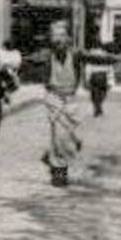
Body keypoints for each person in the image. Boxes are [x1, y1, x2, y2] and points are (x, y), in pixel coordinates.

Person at [39, 21, 83, 187]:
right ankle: (59, 173)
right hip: (54, 97)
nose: (58, 40)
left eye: (61, 35)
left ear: (68, 38)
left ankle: (51, 158)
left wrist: (116, 58)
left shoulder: (76, 54)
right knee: (60, 137)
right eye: (54, 35)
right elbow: (29, 60)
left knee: (67, 137)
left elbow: (96, 58)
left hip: (70, 99)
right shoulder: (47, 55)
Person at [81, 46, 115, 117]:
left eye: (100, 55)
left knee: (103, 95)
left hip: (103, 79)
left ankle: (99, 106)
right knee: (95, 95)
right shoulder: (91, 62)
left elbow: (110, 72)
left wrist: (110, 82)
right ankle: (97, 109)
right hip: (94, 79)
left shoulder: (106, 62)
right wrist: (87, 80)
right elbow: (88, 71)